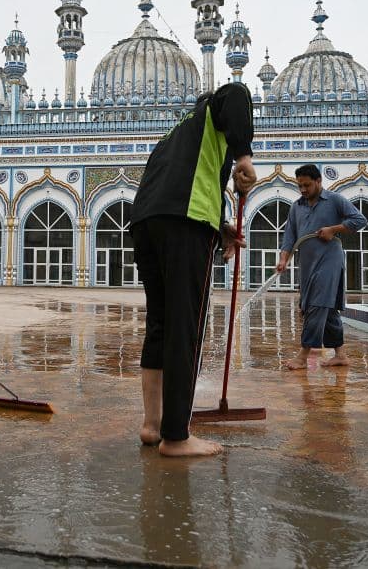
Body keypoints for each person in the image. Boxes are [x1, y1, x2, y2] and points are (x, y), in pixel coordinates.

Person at [131, 82, 257, 457]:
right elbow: (236, 92)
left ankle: (152, 427)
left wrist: (220, 228)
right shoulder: (212, 112)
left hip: (146, 222)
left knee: (160, 325)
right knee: (186, 328)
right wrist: (244, 157)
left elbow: (181, 182)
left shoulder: (175, 133)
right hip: (186, 224)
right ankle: (176, 437)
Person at [275, 164, 367, 370]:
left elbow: (360, 219)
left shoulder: (334, 200)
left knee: (316, 306)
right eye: (300, 186)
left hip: (329, 260)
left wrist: (334, 229)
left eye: (307, 185)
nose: (303, 190)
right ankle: (341, 355)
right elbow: (289, 238)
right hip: (307, 265)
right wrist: (283, 259)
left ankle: (303, 356)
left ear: (318, 182)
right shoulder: (296, 207)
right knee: (329, 308)